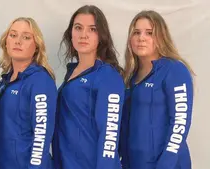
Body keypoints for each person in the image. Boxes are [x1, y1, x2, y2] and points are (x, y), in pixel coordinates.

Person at [52, 5, 125, 169]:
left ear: (101, 36)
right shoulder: (71, 73)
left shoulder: (108, 76)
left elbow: (109, 135)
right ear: (71, 33)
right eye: (78, 28)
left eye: (92, 29)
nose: (83, 35)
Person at [120, 10, 194, 169]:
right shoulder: (130, 76)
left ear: (161, 37)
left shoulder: (174, 70)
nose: (141, 38)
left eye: (149, 33)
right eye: (136, 32)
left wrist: (165, 165)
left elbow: (180, 124)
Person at [0, 17, 57, 169]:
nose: (18, 41)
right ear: (6, 41)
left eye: (26, 37)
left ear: (36, 46)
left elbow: (42, 136)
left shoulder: (40, 81)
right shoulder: (4, 82)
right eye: (13, 35)